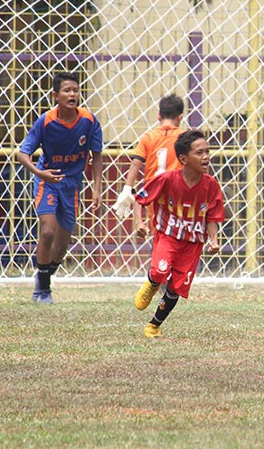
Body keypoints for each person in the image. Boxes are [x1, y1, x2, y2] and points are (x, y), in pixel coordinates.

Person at [15, 71, 104, 303]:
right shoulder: (46, 121)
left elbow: (97, 155)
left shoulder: (89, 121)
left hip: (72, 186)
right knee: (47, 232)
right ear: (56, 95)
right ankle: (43, 291)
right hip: (48, 182)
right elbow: (22, 153)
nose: (72, 94)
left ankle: (42, 278)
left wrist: (97, 188)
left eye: (75, 90)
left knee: (62, 247)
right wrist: (39, 172)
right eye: (67, 90)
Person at [133, 129, 225, 338]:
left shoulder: (211, 185)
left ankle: (154, 325)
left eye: (207, 151)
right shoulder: (167, 179)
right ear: (183, 158)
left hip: (192, 244)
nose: (206, 157)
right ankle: (152, 282)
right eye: (199, 152)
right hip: (168, 236)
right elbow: (140, 198)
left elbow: (212, 215)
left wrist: (214, 240)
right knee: (160, 271)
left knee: (176, 288)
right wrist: (140, 223)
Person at [111, 93, 186, 238]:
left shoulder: (148, 137)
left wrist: (127, 189)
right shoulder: (184, 137)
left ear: (159, 116)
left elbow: (136, 163)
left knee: (160, 235)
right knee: (180, 236)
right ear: (180, 117)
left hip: (155, 194)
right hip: (180, 193)